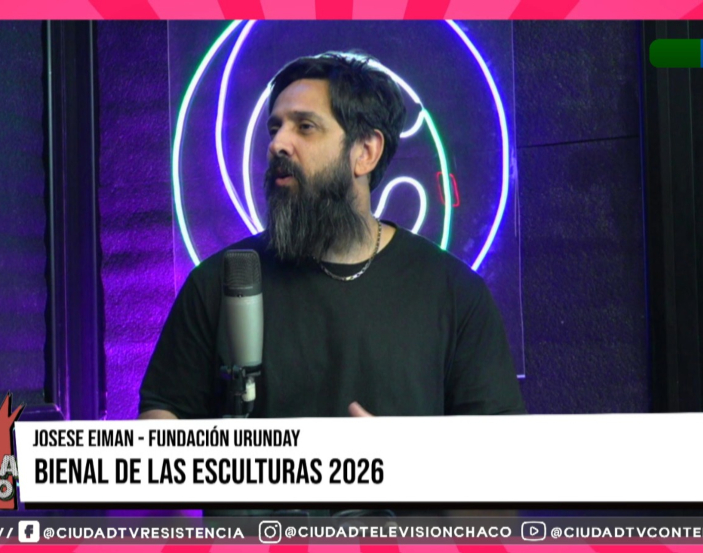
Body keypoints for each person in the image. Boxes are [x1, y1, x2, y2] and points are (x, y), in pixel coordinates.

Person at [139, 52, 525, 420]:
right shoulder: (219, 284)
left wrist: (406, 457)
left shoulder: (454, 293)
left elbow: (501, 450)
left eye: (305, 127)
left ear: (366, 152)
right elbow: (163, 415)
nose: (277, 144)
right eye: (275, 128)